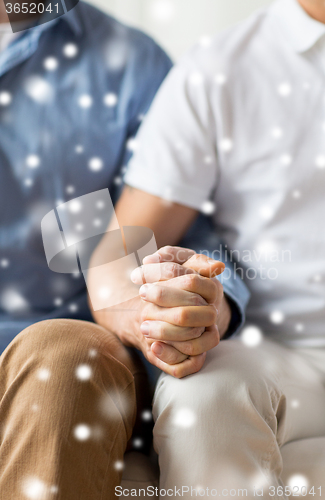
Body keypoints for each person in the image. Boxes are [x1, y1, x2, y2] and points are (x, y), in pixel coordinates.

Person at [0, 1, 246, 498]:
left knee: (64, 357)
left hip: (52, 355)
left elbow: (193, 238)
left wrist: (186, 305)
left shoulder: (134, 66)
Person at [88, 0, 325, 496]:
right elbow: (116, 254)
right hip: (290, 356)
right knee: (205, 391)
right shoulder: (221, 70)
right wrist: (156, 318)